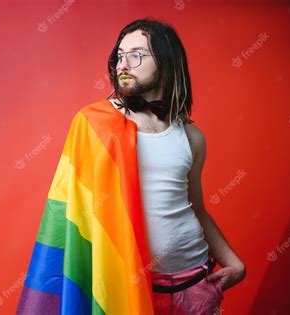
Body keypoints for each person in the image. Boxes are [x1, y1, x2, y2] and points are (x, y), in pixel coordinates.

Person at [106, 18, 247, 314]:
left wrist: (234, 263)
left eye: (136, 55)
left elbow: (195, 207)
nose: (123, 64)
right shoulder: (101, 124)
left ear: (167, 63)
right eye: (119, 55)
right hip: (132, 288)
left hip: (195, 281)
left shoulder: (191, 136)